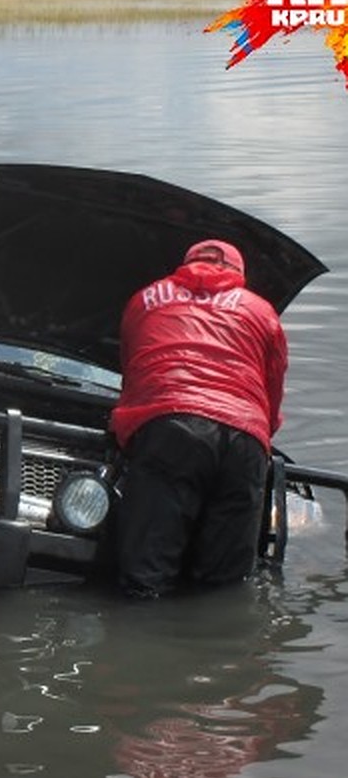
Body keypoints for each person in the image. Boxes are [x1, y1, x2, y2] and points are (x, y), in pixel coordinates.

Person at [108, 239, 288, 598]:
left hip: (170, 426)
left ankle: (137, 630)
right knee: (224, 586)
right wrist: (260, 433)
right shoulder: (261, 311)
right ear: (239, 274)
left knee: (145, 575)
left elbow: (133, 374)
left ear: (185, 264)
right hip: (244, 439)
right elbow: (273, 388)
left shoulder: (144, 300)